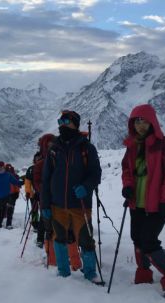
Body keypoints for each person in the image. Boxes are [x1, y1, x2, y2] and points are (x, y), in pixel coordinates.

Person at [121, 104, 165, 299]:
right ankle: (144, 273)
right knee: (137, 238)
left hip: (159, 204)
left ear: (152, 121)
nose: (140, 125)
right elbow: (126, 170)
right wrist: (127, 186)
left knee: (148, 240)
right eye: (136, 121)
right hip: (137, 203)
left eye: (144, 120)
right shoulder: (133, 146)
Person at [41, 110, 102, 283]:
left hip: (80, 204)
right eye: (60, 121)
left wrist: (86, 186)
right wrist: (45, 204)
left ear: (75, 123)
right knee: (59, 238)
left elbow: (95, 173)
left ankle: (90, 274)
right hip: (57, 204)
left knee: (85, 239)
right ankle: (63, 273)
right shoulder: (54, 150)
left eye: (66, 121)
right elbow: (46, 180)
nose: (62, 125)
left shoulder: (86, 148)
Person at [0, 161, 23, 228]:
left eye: (1, 167)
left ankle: (8, 224)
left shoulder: (8, 175)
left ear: (4, 167)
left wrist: (21, 183)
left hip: (6, 196)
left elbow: (15, 182)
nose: (0, 168)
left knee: (8, 210)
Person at [5, 164, 20, 229]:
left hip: (9, 194)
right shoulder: (15, 176)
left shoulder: (5, 175)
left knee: (9, 208)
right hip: (13, 194)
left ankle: (8, 223)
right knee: (10, 208)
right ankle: (8, 223)